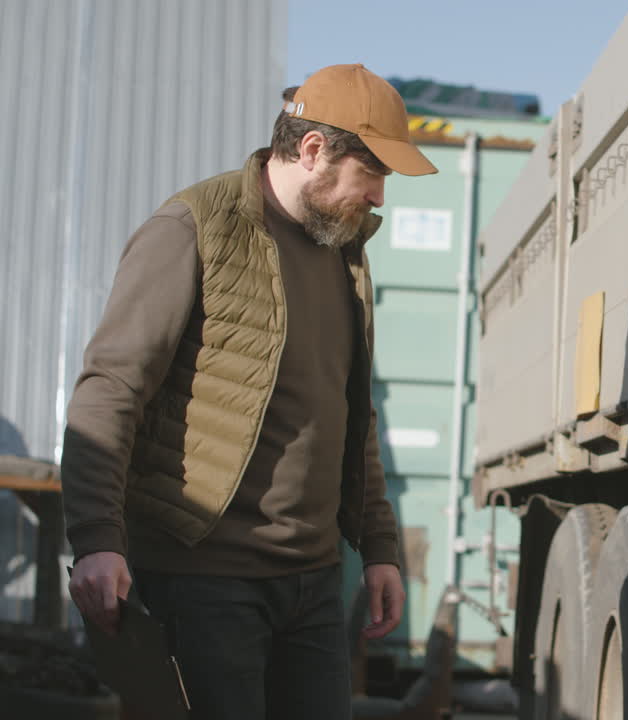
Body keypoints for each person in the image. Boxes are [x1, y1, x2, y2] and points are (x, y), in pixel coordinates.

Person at [61, 64, 438, 720]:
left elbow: (354, 416)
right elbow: (111, 389)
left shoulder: (345, 252)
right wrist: (97, 537)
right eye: (372, 173)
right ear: (315, 150)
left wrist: (380, 550)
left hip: (315, 584)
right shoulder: (194, 228)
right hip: (204, 579)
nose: (379, 197)